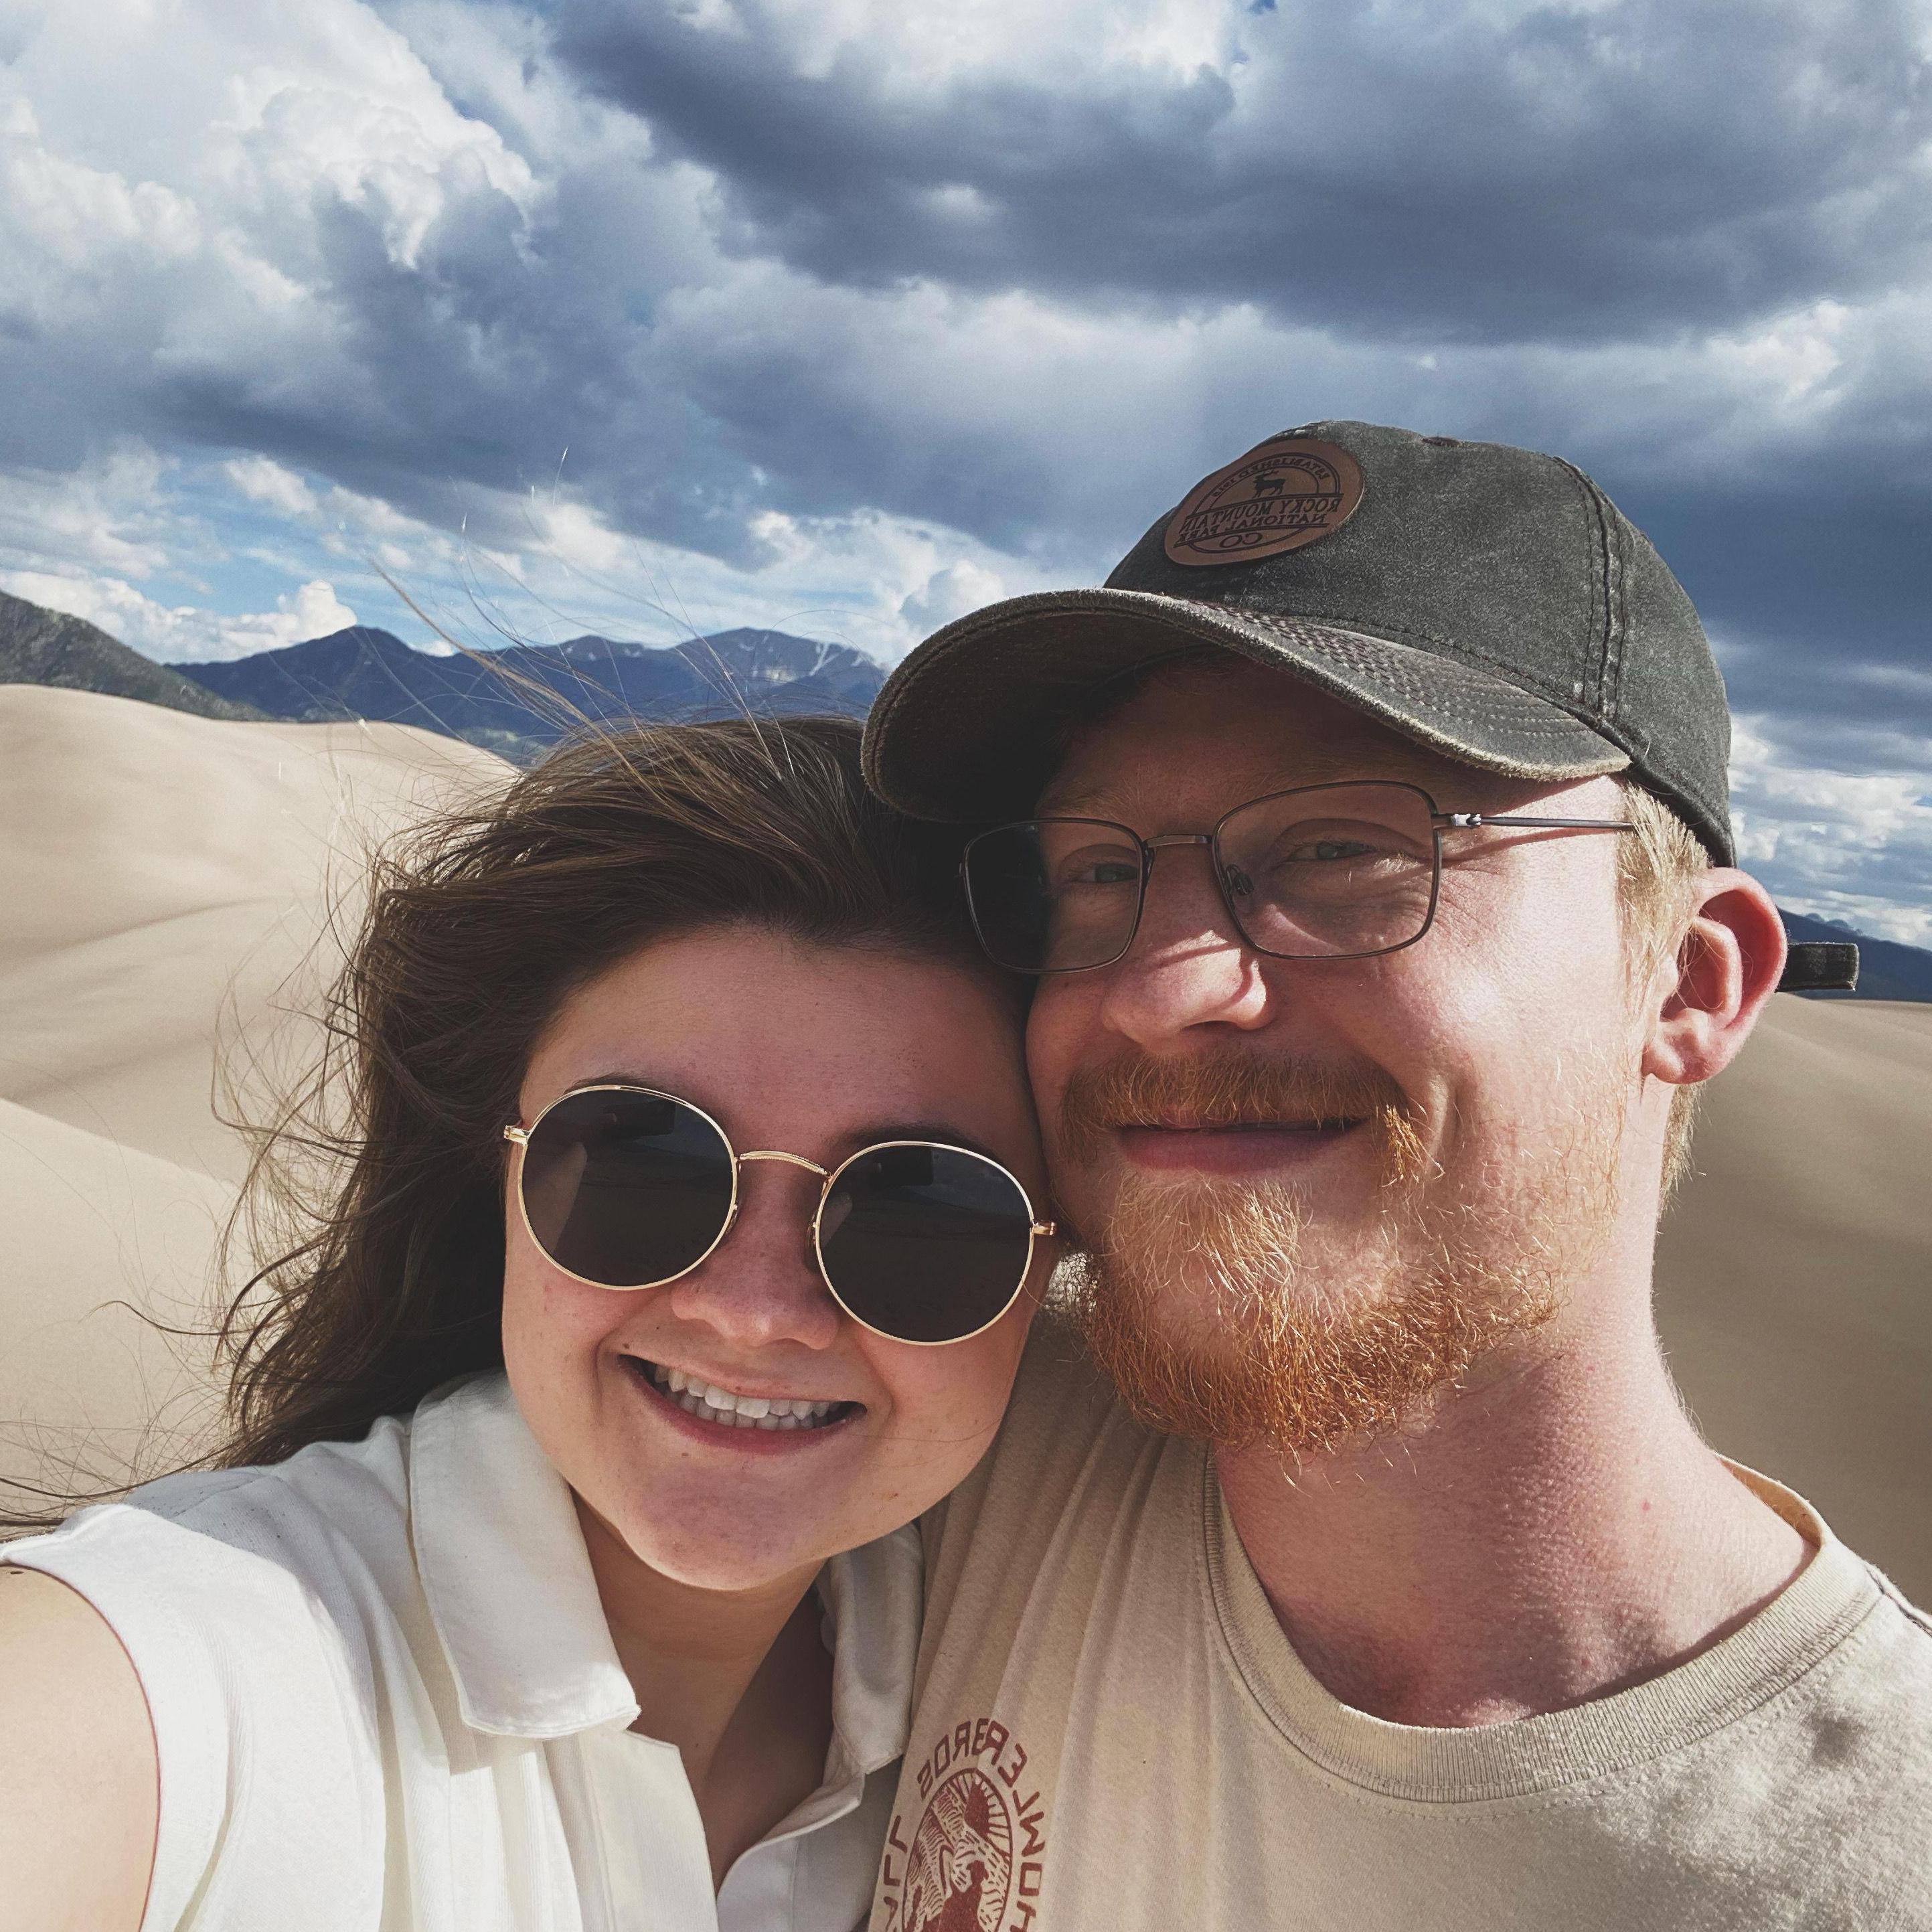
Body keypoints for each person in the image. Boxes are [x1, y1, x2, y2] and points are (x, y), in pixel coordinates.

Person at [858, 422, 1932, 1929]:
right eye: (1097, 873)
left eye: (1348, 853)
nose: (1161, 986)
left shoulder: (1872, 1863)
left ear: (1690, 983)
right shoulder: (945, 1452)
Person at [0, 716, 1054, 1932]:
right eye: (639, 1163)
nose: (753, 1311)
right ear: (494, 1177)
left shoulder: (1008, 1664)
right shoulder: (168, 1679)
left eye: (923, 1213)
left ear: (1053, 1265)